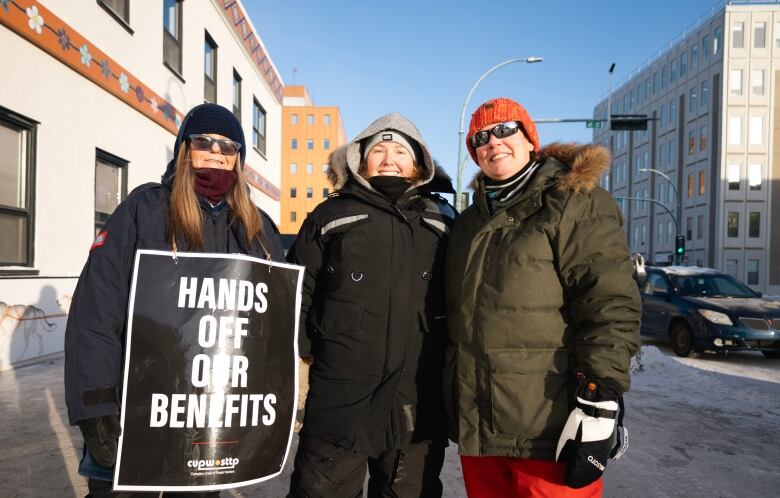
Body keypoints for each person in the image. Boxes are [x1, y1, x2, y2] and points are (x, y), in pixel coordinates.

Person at [64, 103, 285, 497]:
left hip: (211, 421)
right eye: (205, 141)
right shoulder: (144, 210)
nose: (217, 152)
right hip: (136, 411)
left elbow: (278, 322)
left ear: (238, 158)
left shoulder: (258, 228)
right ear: (186, 147)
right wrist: (95, 406)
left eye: (229, 146)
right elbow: (96, 312)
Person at [444, 97, 641, 497]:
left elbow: (609, 301)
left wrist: (600, 396)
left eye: (505, 129)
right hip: (482, 426)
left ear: (530, 139)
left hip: (551, 426)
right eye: (481, 136)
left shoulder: (574, 201)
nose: (493, 141)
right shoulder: (467, 223)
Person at [287, 113, 456, 498]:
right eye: (378, 149)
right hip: (339, 401)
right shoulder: (330, 216)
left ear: (419, 164)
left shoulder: (443, 220)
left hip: (416, 401)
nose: (389, 157)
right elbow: (297, 292)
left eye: (400, 150)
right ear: (360, 160)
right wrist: (300, 360)